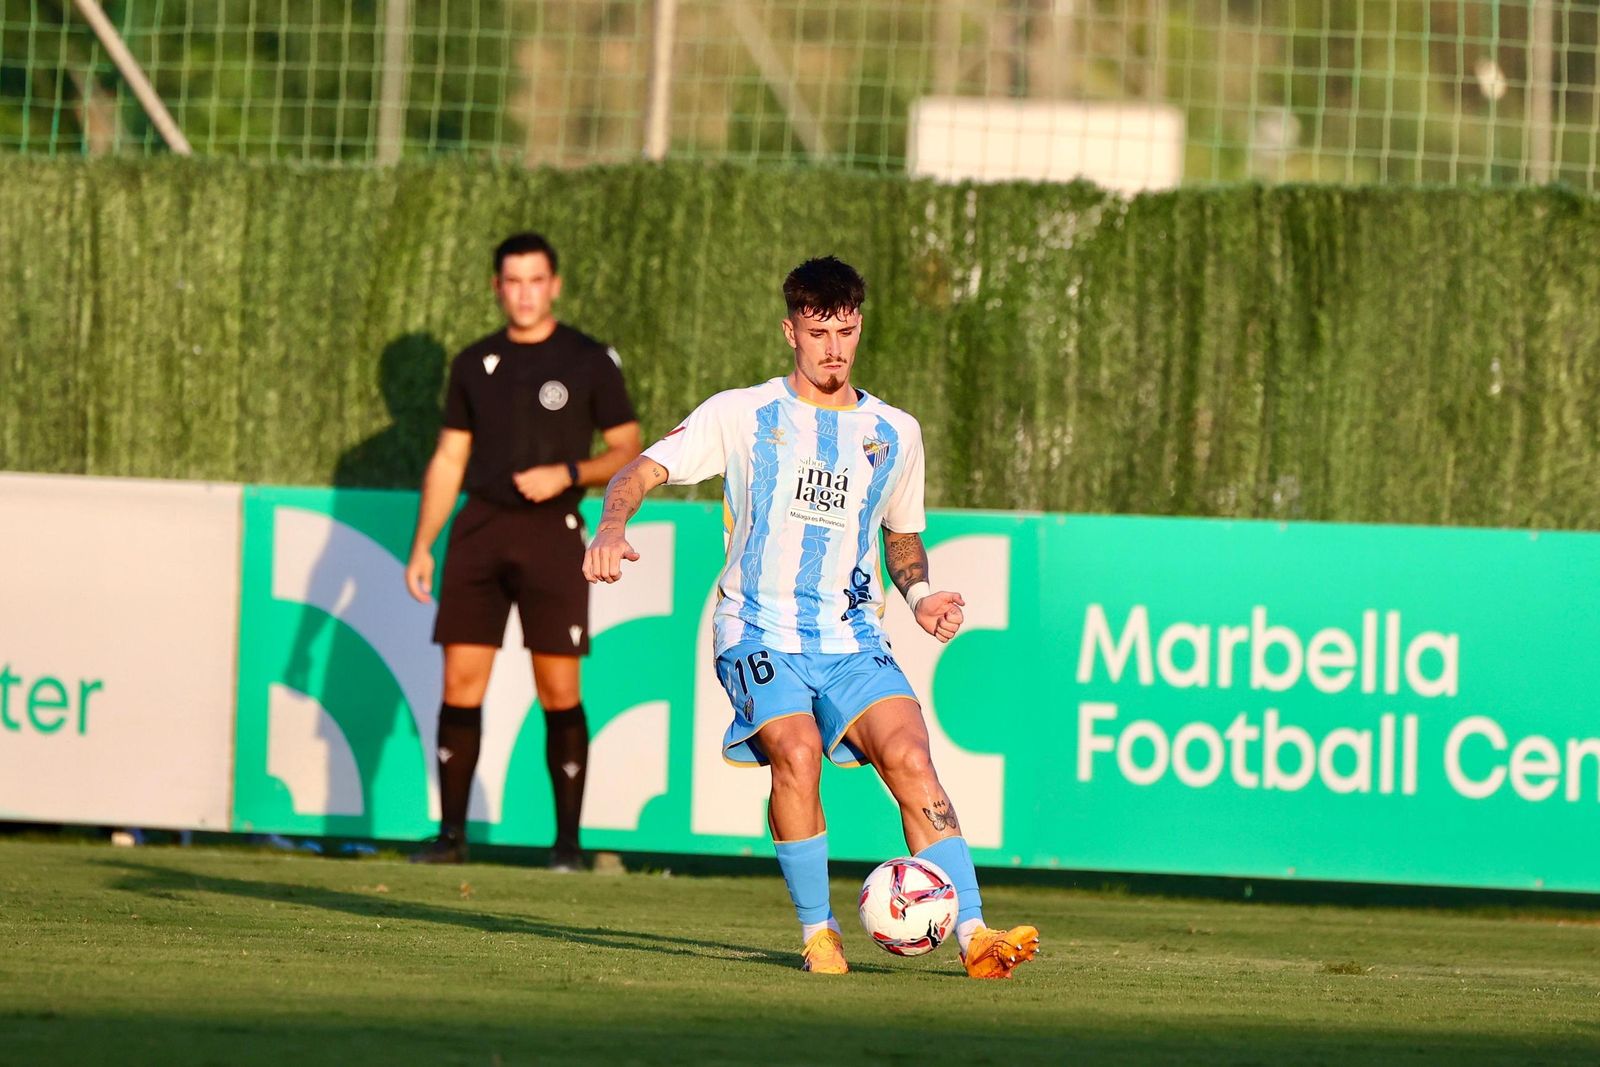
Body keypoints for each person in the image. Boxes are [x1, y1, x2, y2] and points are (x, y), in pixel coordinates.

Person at [582, 256, 1039, 978]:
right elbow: (638, 470)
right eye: (820, 331)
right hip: (756, 629)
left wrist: (920, 597)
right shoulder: (741, 414)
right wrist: (611, 526)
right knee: (795, 752)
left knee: (913, 758)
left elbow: (902, 536)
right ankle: (818, 930)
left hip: (852, 635)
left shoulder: (895, 431)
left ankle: (976, 932)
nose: (835, 348)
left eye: (848, 331)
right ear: (789, 330)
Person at [406, 232, 641, 869]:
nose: (524, 293)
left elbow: (627, 448)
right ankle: (451, 837)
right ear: (497, 287)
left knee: (558, 687)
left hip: (553, 533)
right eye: (512, 281)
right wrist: (424, 543)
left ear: (554, 285)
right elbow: (451, 456)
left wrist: (567, 473)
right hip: (479, 531)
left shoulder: (589, 359)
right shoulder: (474, 362)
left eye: (535, 280)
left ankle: (567, 846)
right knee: (460, 682)